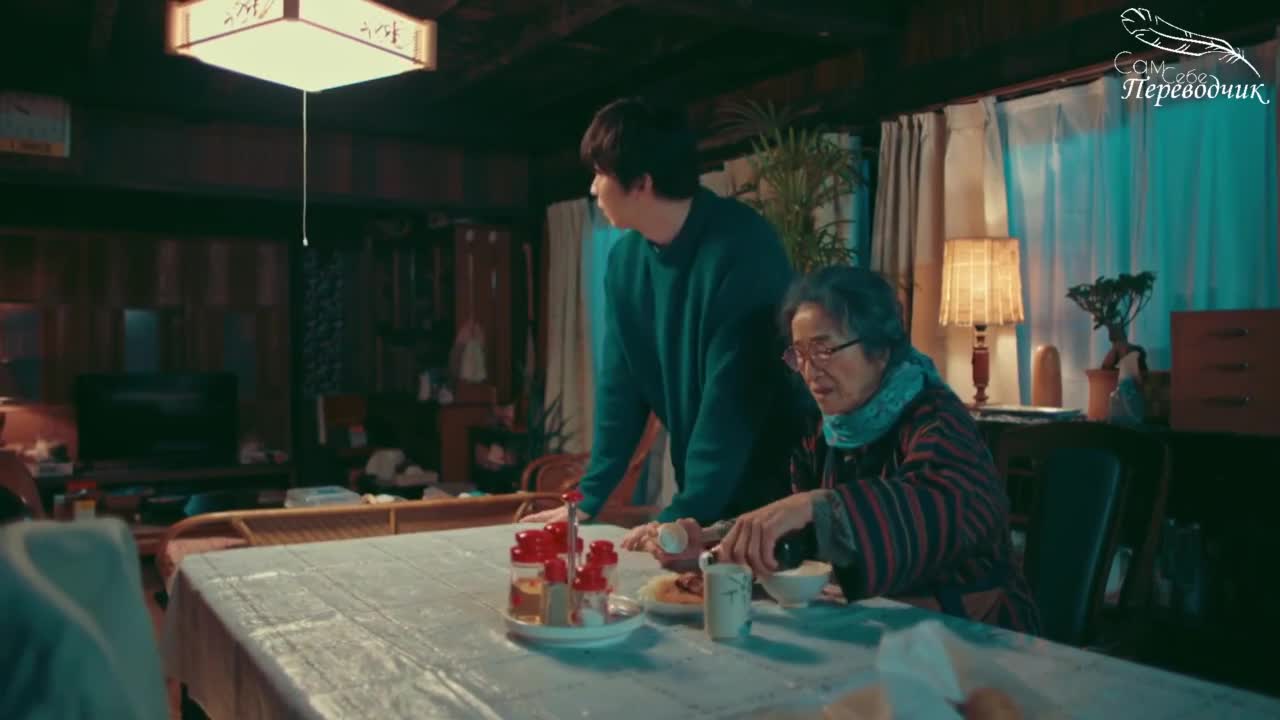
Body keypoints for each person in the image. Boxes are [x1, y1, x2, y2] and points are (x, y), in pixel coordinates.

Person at [649, 266, 1041, 634]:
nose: (809, 370)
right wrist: (713, 545)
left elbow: (935, 509)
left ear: (880, 350)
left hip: (972, 631)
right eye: (799, 354)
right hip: (879, 625)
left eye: (823, 350)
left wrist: (814, 504)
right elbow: (800, 537)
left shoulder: (936, 419)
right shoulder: (823, 432)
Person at [522, 97, 798, 540]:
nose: (593, 188)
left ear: (641, 184)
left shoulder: (744, 248)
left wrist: (678, 517)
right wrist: (587, 501)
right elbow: (620, 388)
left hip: (778, 487)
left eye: (601, 174)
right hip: (703, 490)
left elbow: (733, 403)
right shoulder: (626, 262)